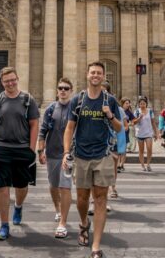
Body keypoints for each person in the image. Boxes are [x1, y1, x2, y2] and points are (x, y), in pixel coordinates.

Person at [63, 61, 123, 258]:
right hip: (81, 155)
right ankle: (83, 223)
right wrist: (66, 153)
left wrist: (110, 114)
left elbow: (119, 127)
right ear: (87, 75)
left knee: (100, 199)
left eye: (99, 73)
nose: (95, 75)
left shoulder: (110, 100)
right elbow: (70, 128)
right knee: (81, 199)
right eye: (93, 72)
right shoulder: (78, 100)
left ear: (103, 76)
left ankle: (96, 246)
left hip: (103, 156)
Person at [0, 66, 40, 240]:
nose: (10, 83)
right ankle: (4, 225)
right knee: (2, 188)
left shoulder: (28, 99)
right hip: (1, 149)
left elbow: (34, 124)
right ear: (2, 82)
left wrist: (32, 149)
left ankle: (18, 205)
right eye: (6, 80)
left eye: (12, 79)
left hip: (23, 149)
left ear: (17, 79)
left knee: (22, 186)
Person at [37, 77, 74, 239]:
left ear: (71, 91)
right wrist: (40, 150)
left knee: (65, 187)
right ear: (57, 90)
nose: (63, 91)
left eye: (66, 88)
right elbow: (43, 130)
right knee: (53, 185)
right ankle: (58, 210)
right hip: (52, 152)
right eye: (61, 88)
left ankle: (63, 223)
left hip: (69, 155)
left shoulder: (76, 109)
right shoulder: (51, 108)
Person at [132, 96, 159, 171]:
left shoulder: (150, 111)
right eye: (141, 104)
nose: (142, 105)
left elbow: (153, 123)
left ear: (146, 104)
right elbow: (133, 122)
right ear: (139, 104)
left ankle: (148, 164)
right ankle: (142, 165)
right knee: (141, 150)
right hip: (140, 133)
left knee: (149, 149)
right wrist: (139, 118)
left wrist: (156, 133)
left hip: (148, 133)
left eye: (144, 103)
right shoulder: (137, 112)